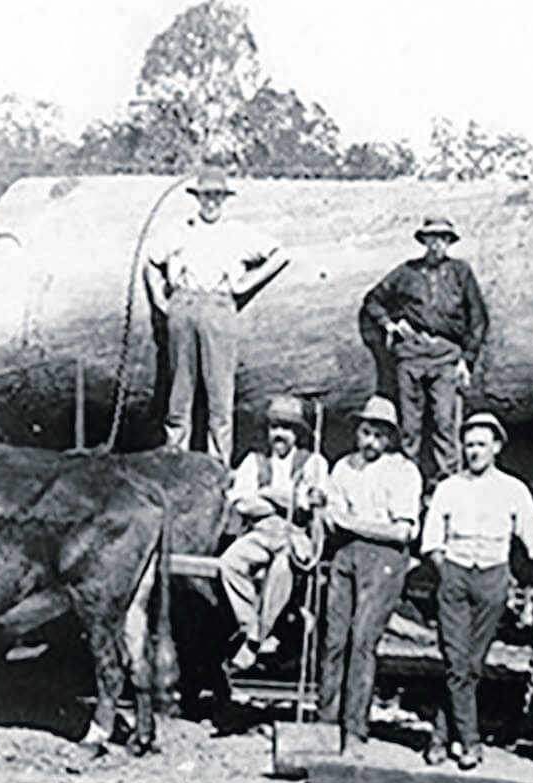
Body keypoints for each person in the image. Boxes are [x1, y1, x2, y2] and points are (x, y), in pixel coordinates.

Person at [420, 411, 533, 770]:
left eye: (481, 444)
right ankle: (470, 743)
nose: (474, 451)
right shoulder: (449, 488)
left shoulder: (513, 490)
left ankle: (441, 735)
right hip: (455, 577)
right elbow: (431, 543)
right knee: (457, 661)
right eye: (469, 444)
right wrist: (449, 575)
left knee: (469, 666)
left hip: (493, 580)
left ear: (496, 447)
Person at [145, 166, 289, 464]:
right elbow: (151, 261)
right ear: (197, 198)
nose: (211, 202)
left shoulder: (236, 233)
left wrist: (246, 283)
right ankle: (175, 464)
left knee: (220, 396)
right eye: (206, 196)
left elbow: (280, 255)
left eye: (217, 197)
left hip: (219, 307)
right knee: (179, 394)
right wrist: (159, 297)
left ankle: (217, 468)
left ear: (224, 199)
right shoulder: (181, 230)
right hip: (183, 306)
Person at [316, 395, 422, 753]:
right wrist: (326, 511)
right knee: (333, 640)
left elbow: (403, 531)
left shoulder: (403, 471)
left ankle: (354, 730)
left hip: (386, 559)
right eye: (366, 433)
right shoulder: (343, 468)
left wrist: (352, 523)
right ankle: (325, 723)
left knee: (362, 641)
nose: (371, 442)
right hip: (347, 555)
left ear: (390, 438)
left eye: (379, 435)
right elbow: (333, 516)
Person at [359, 217, 489, 489]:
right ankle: (408, 487)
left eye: (442, 238)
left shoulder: (460, 272)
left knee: (445, 423)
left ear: (449, 242)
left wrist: (467, 360)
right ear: (424, 241)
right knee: (410, 427)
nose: (436, 245)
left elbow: (478, 318)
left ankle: (447, 487)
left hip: (445, 356)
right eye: (431, 238)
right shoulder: (407, 272)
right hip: (411, 356)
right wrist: (389, 324)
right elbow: (372, 300)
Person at [216, 394, 328, 672]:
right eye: (275, 427)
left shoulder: (313, 462)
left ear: (297, 434)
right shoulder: (253, 461)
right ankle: (252, 627)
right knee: (229, 563)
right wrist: (283, 498)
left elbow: (309, 503)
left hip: (293, 535)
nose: (280, 434)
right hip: (261, 532)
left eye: (287, 429)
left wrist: (267, 495)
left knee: (282, 570)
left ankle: (254, 642)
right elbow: (241, 502)